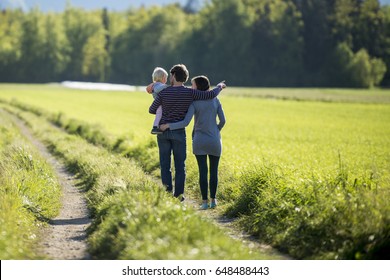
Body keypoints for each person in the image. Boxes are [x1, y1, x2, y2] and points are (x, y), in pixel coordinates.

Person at [149, 64, 226, 201]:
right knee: (180, 165)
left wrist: (165, 107)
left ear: (173, 76)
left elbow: (152, 109)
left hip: (163, 132)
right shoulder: (190, 92)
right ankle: (179, 195)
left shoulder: (164, 92)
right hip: (178, 132)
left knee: (165, 164)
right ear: (185, 78)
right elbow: (210, 94)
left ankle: (167, 193)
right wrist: (219, 87)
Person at [147, 67, 168, 134]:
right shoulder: (157, 85)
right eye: (166, 78)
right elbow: (157, 89)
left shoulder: (155, 85)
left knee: (159, 114)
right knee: (159, 114)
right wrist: (167, 86)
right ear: (163, 77)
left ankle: (156, 127)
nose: (166, 80)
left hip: (159, 103)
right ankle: (155, 127)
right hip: (159, 104)